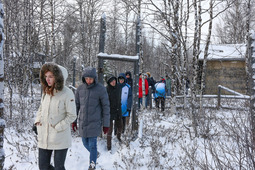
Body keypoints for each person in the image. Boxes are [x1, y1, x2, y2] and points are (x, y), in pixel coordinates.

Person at [34, 62, 77, 170]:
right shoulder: (46, 91)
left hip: (60, 137)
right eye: (46, 76)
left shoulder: (67, 93)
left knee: (59, 167)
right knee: (43, 167)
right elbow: (41, 108)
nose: (47, 79)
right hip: (44, 136)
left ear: (58, 78)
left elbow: (72, 115)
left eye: (51, 77)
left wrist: (59, 126)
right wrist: (37, 121)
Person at [72, 67, 110, 170]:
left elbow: (106, 106)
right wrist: (74, 121)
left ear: (95, 78)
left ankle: (92, 165)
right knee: (85, 143)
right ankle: (95, 154)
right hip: (83, 122)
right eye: (87, 78)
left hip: (95, 122)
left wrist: (106, 124)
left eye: (91, 78)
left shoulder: (100, 89)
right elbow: (76, 106)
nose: (89, 81)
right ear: (84, 78)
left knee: (93, 144)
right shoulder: (80, 89)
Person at [106, 75, 122, 151]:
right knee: (109, 129)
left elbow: (119, 98)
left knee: (120, 126)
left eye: (114, 80)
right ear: (109, 82)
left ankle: (118, 137)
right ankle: (109, 146)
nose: (113, 82)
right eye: (111, 81)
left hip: (118, 109)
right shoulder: (106, 89)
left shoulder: (118, 87)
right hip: (109, 111)